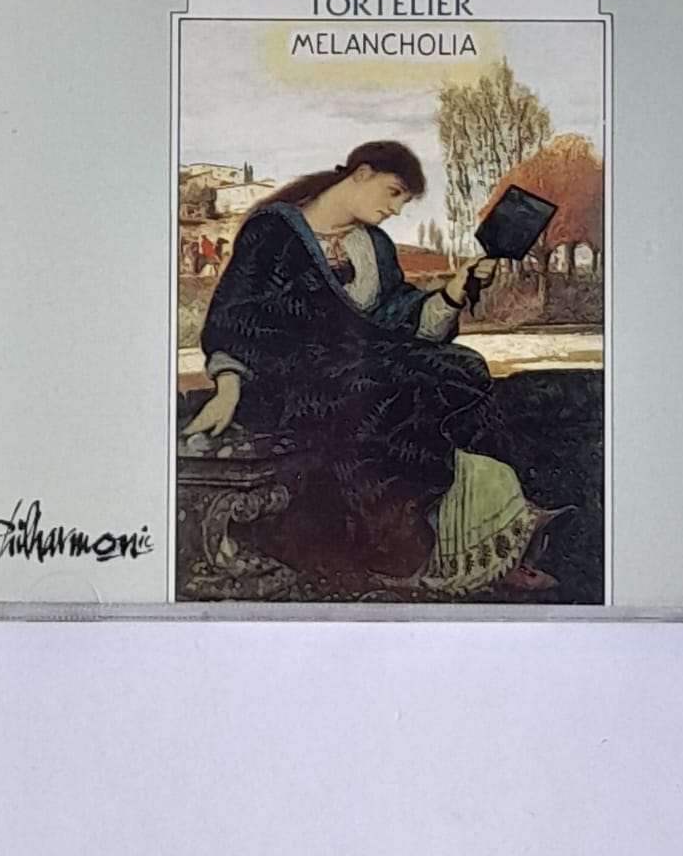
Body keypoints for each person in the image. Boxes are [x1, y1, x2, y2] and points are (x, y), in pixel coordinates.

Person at [185, 140, 564, 593]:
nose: (396, 209)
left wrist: (453, 291)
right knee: (394, 387)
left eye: (404, 201)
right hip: (289, 383)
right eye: (394, 192)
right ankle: (415, 548)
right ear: (361, 173)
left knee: (462, 366)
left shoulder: (374, 246)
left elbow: (396, 318)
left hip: (365, 370)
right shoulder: (273, 232)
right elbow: (234, 317)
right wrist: (227, 386)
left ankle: (491, 533)